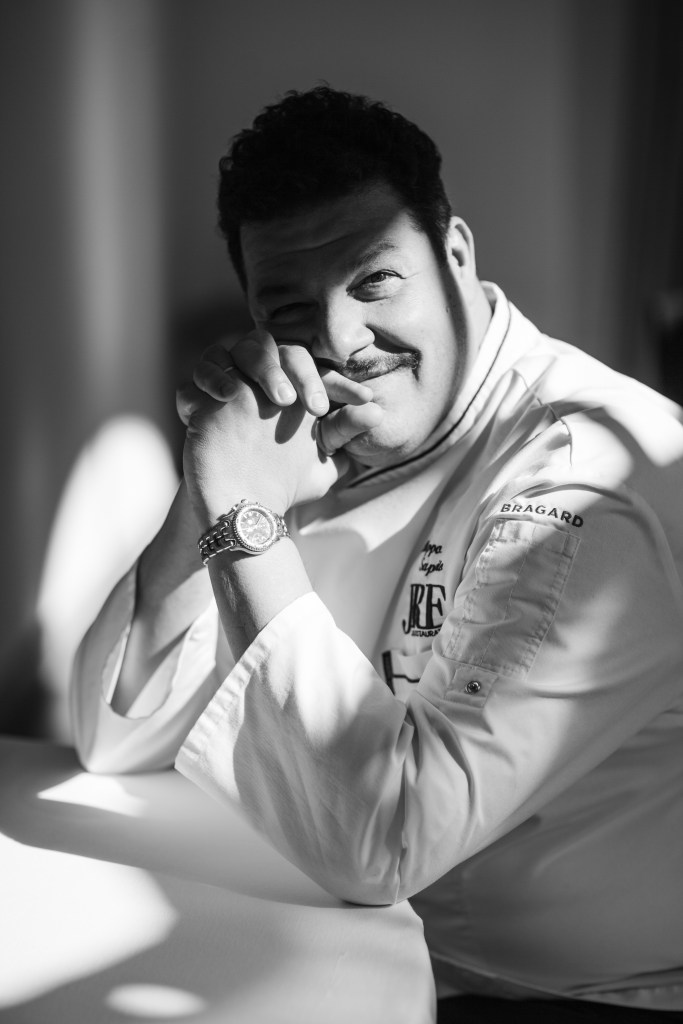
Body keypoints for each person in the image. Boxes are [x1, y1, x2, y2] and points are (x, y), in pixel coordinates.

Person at [70, 87, 683, 1022]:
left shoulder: (589, 481)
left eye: (373, 281)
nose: (340, 342)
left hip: (571, 998)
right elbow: (117, 736)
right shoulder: (306, 435)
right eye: (290, 307)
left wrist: (243, 515)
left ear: (455, 253)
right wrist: (207, 492)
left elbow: (389, 839)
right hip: (362, 957)